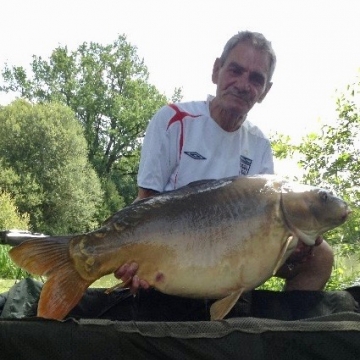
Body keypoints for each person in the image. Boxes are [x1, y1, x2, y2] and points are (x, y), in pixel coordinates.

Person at [114, 30, 334, 296]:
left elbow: (266, 227)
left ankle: (286, 333)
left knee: (321, 256)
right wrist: (132, 257)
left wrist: (295, 251)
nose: (243, 84)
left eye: (256, 78)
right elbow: (146, 202)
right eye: (235, 70)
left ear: (265, 91)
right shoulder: (174, 119)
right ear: (216, 70)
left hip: (235, 250)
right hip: (175, 246)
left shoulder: (259, 144)